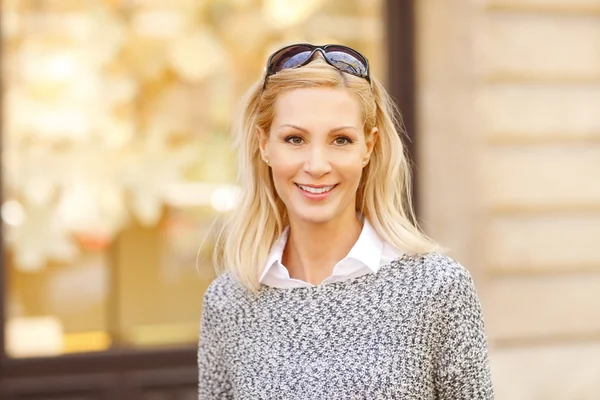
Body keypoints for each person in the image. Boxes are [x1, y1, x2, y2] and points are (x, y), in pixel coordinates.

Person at [197, 43, 494, 399]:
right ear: (264, 145)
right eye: (295, 139)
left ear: (368, 147)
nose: (318, 165)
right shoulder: (228, 302)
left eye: (341, 140)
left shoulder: (437, 288)